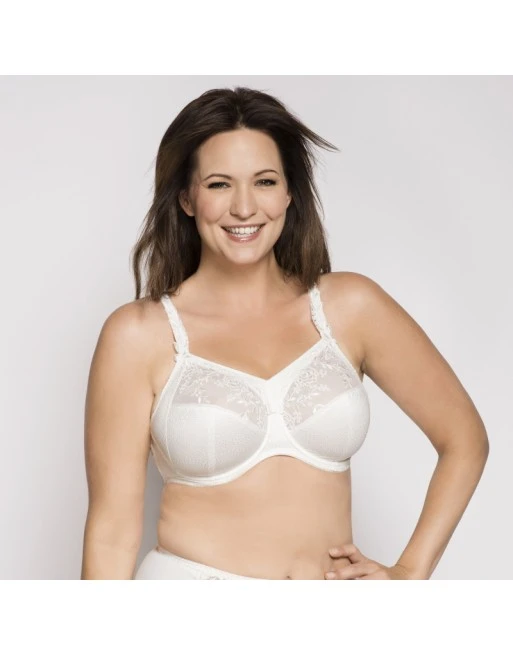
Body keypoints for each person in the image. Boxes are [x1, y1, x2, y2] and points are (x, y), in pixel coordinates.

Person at [80, 86, 489, 580]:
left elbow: (464, 438)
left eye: (265, 181)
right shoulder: (138, 334)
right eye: (219, 184)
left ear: (290, 192)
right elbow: (112, 532)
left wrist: (409, 572)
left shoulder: (350, 307)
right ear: (187, 198)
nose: (244, 207)